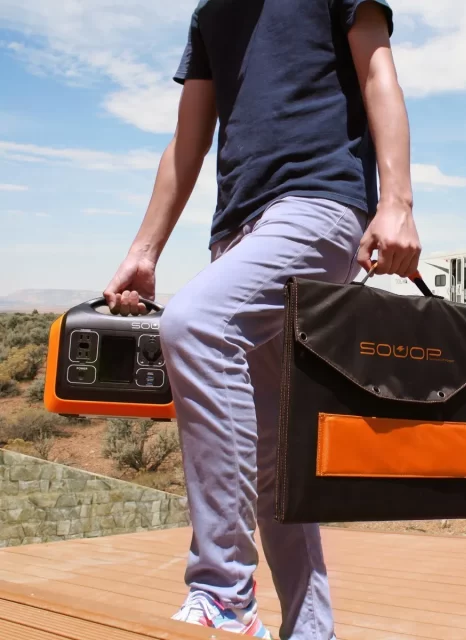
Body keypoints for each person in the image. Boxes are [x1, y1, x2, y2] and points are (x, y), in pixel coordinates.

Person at [102, 1, 420, 638]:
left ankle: (223, 590)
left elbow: (377, 72)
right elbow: (187, 140)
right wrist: (144, 250)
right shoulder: (210, 14)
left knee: (196, 323)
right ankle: (312, 631)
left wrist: (397, 202)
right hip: (237, 233)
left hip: (318, 207)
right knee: (274, 458)